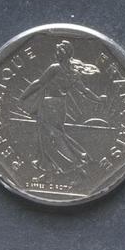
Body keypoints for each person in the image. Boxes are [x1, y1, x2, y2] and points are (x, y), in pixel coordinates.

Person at [16, 40, 108, 178]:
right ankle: (49, 165)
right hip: (60, 106)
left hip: (48, 104)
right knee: (58, 134)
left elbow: (39, 83)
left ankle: (72, 164)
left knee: (48, 136)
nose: (56, 54)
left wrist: (23, 96)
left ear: (63, 54)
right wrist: (99, 99)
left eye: (58, 52)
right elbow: (85, 91)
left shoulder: (55, 68)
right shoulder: (74, 73)